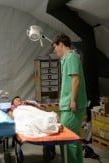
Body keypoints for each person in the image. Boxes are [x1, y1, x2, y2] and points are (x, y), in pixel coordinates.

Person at [52, 34, 87, 163]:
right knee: (74, 139)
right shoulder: (66, 59)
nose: (54, 50)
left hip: (72, 105)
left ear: (61, 44)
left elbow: (76, 80)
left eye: (55, 47)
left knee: (67, 139)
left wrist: (72, 101)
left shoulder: (71, 57)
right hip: (68, 104)